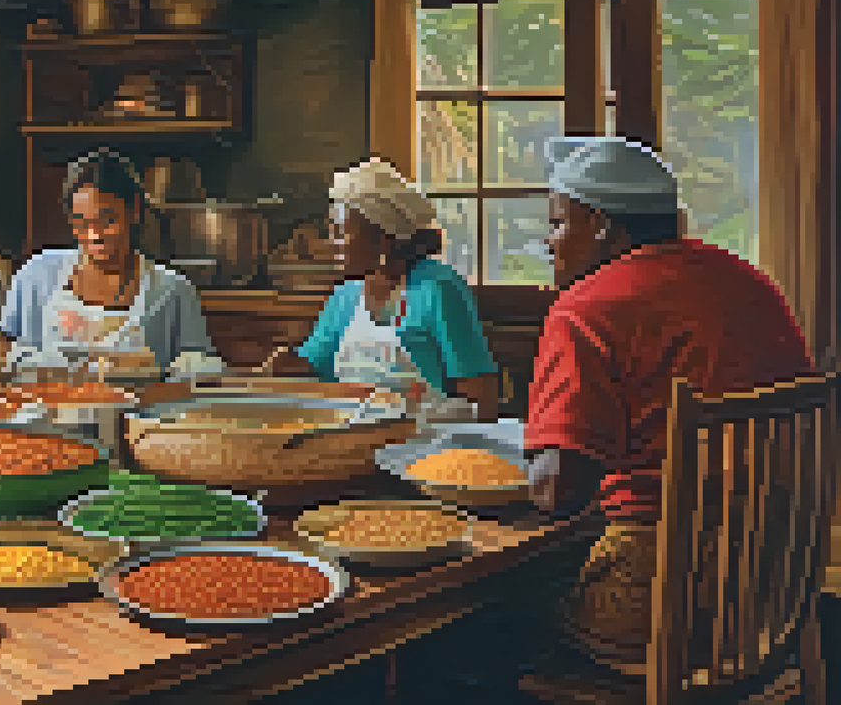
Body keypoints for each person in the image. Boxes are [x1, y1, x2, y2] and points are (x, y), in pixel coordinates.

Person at [523, 137, 812, 675]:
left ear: (601, 225)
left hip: (660, 608)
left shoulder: (586, 308)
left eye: (559, 223)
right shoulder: (749, 283)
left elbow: (557, 492)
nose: (549, 240)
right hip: (771, 594)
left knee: (481, 629)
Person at [264, 157, 499, 420]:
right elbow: (314, 367)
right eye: (330, 231)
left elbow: (481, 397)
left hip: (425, 439)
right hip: (353, 433)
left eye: (341, 232)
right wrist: (285, 364)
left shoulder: (437, 288)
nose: (331, 243)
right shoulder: (345, 296)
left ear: (382, 239)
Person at [0, 148, 226, 380]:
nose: (94, 235)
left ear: (134, 210)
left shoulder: (172, 290)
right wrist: (20, 361)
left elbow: (203, 372)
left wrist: (166, 371)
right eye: (81, 223)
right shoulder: (37, 275)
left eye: (107, 220)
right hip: (49, 410)